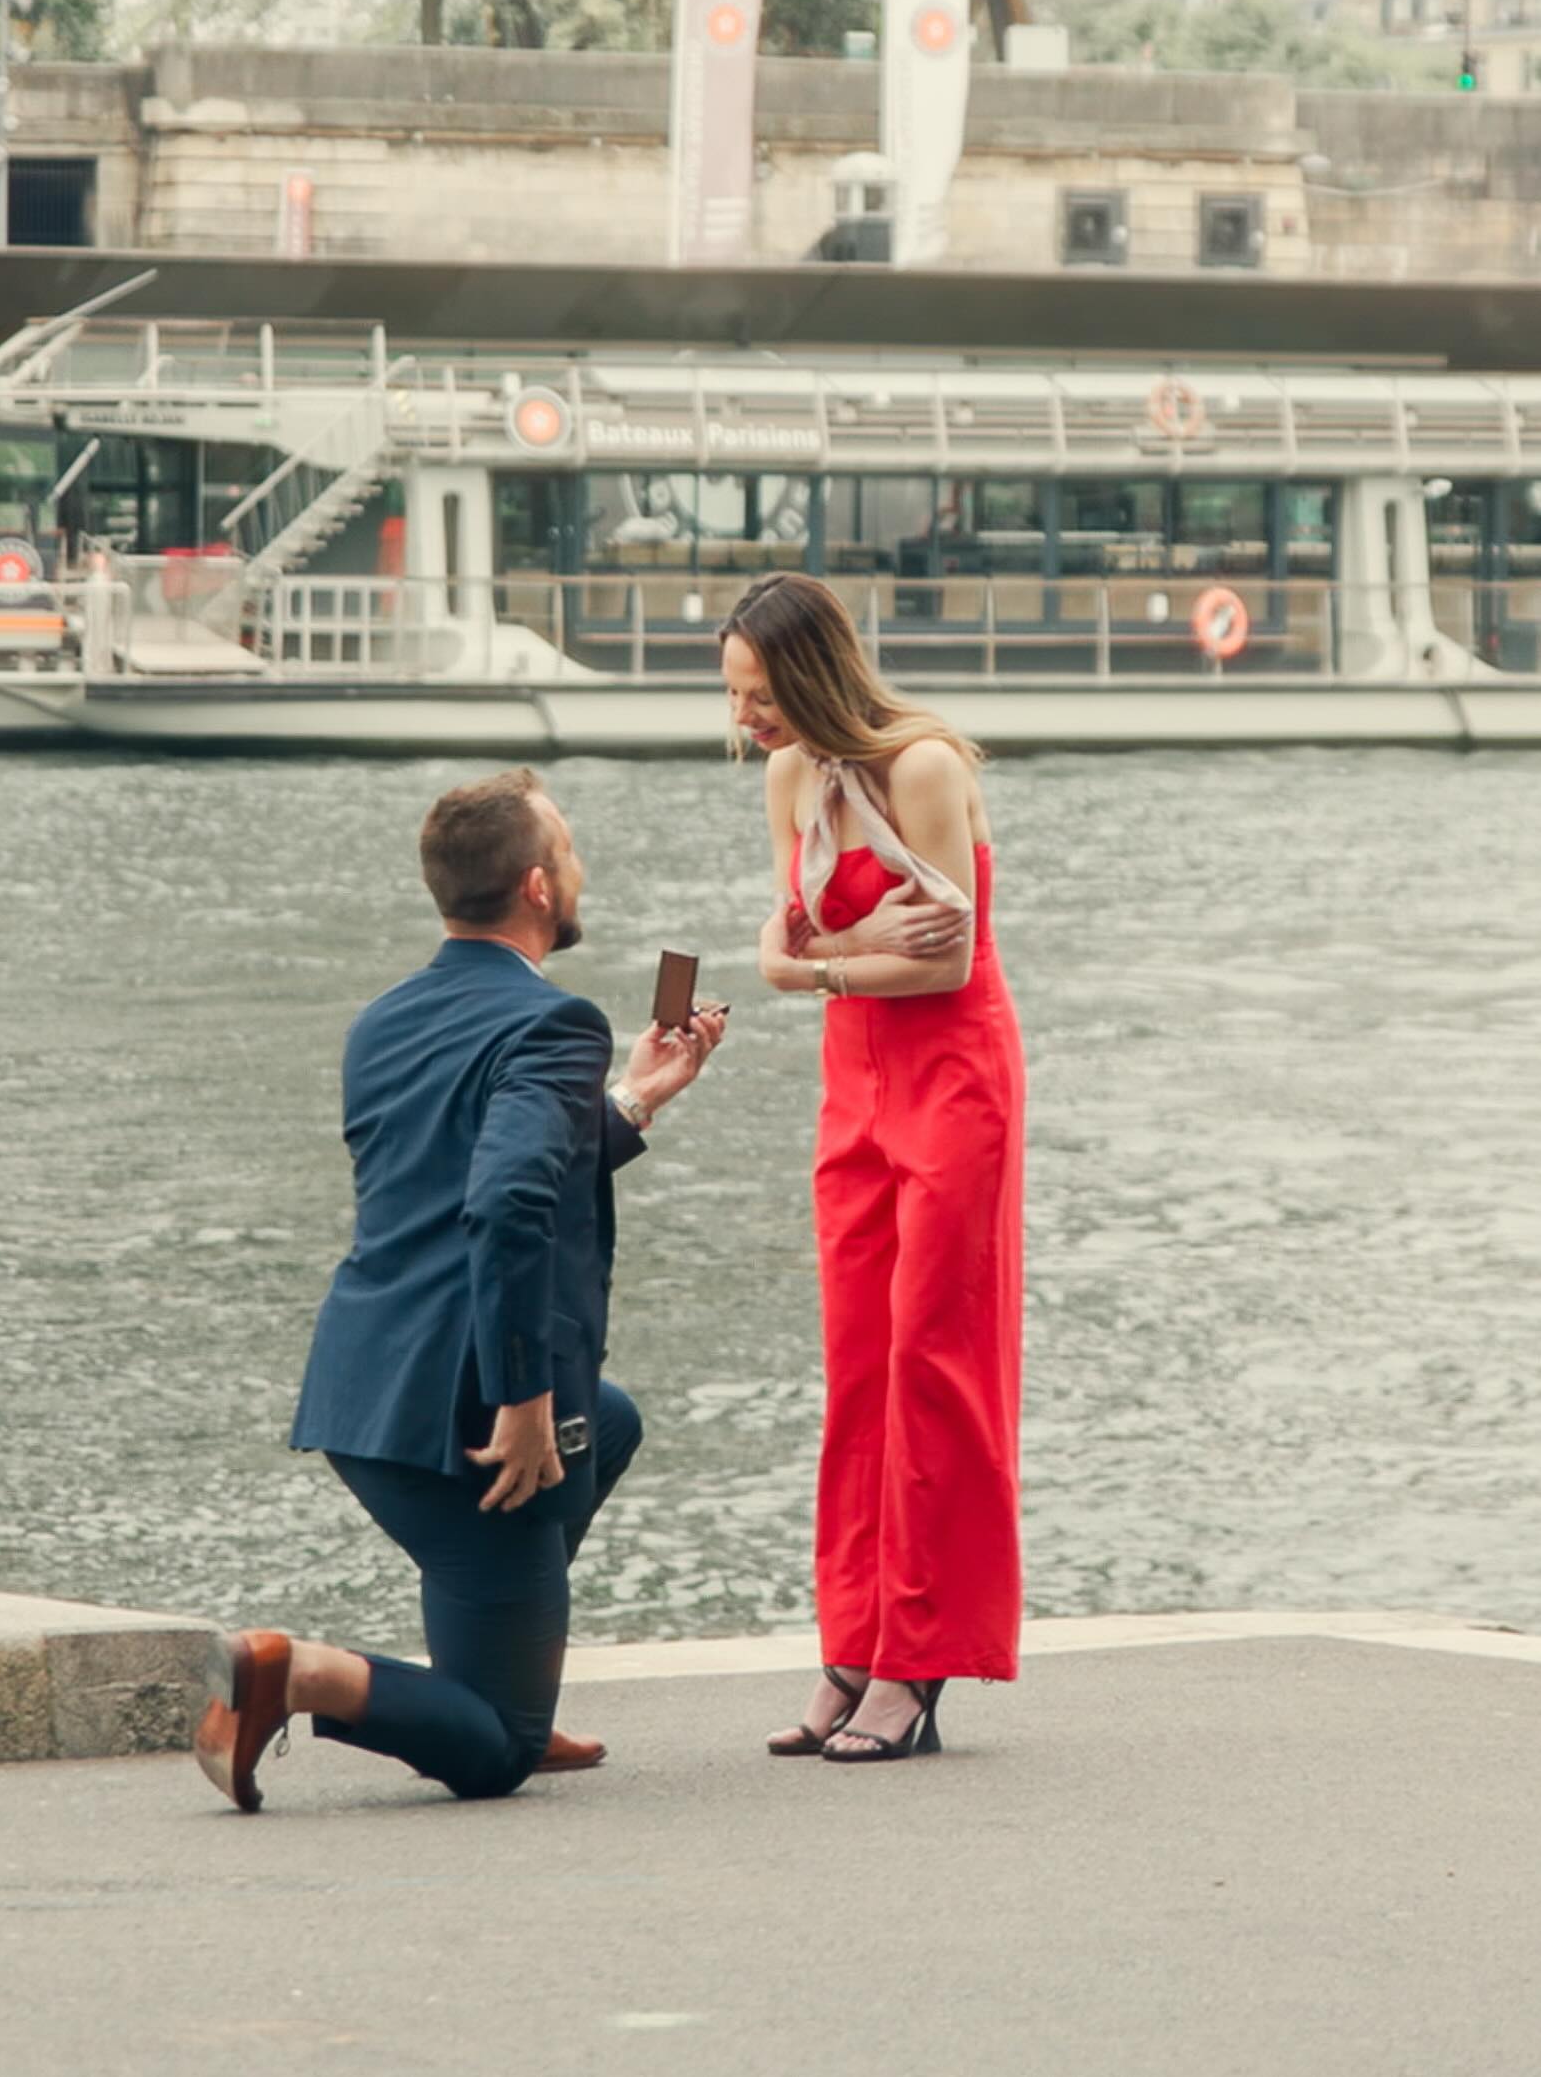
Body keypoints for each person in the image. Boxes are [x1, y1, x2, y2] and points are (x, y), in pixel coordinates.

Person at [194, 769, 727, 1813]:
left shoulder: (384, 1018)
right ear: (537, 886)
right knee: (498, 1753)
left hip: (366, 1386)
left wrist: (632, 1101)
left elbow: (464, 1180)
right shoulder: (555, 1023)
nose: (579, 872)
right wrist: (523, 1398)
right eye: (569, 856)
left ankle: (498, 1672)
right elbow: (505, 1207)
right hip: (468, 1415)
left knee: (605, 1420)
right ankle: (292, 1671)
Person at [720, 572, 1024, 1767]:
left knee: (933, 1361)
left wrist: (813, 967)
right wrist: (827, 961)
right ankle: (852, 1640)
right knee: (857, 1366)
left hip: (954, 1079)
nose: (747, 721)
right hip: (854, 1085)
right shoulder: (793, 778)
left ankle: (919, 1655)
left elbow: (942, 970)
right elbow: (778, 943)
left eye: (759, 695)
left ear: (811, 674)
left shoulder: (929, 767)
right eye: (736, 698)